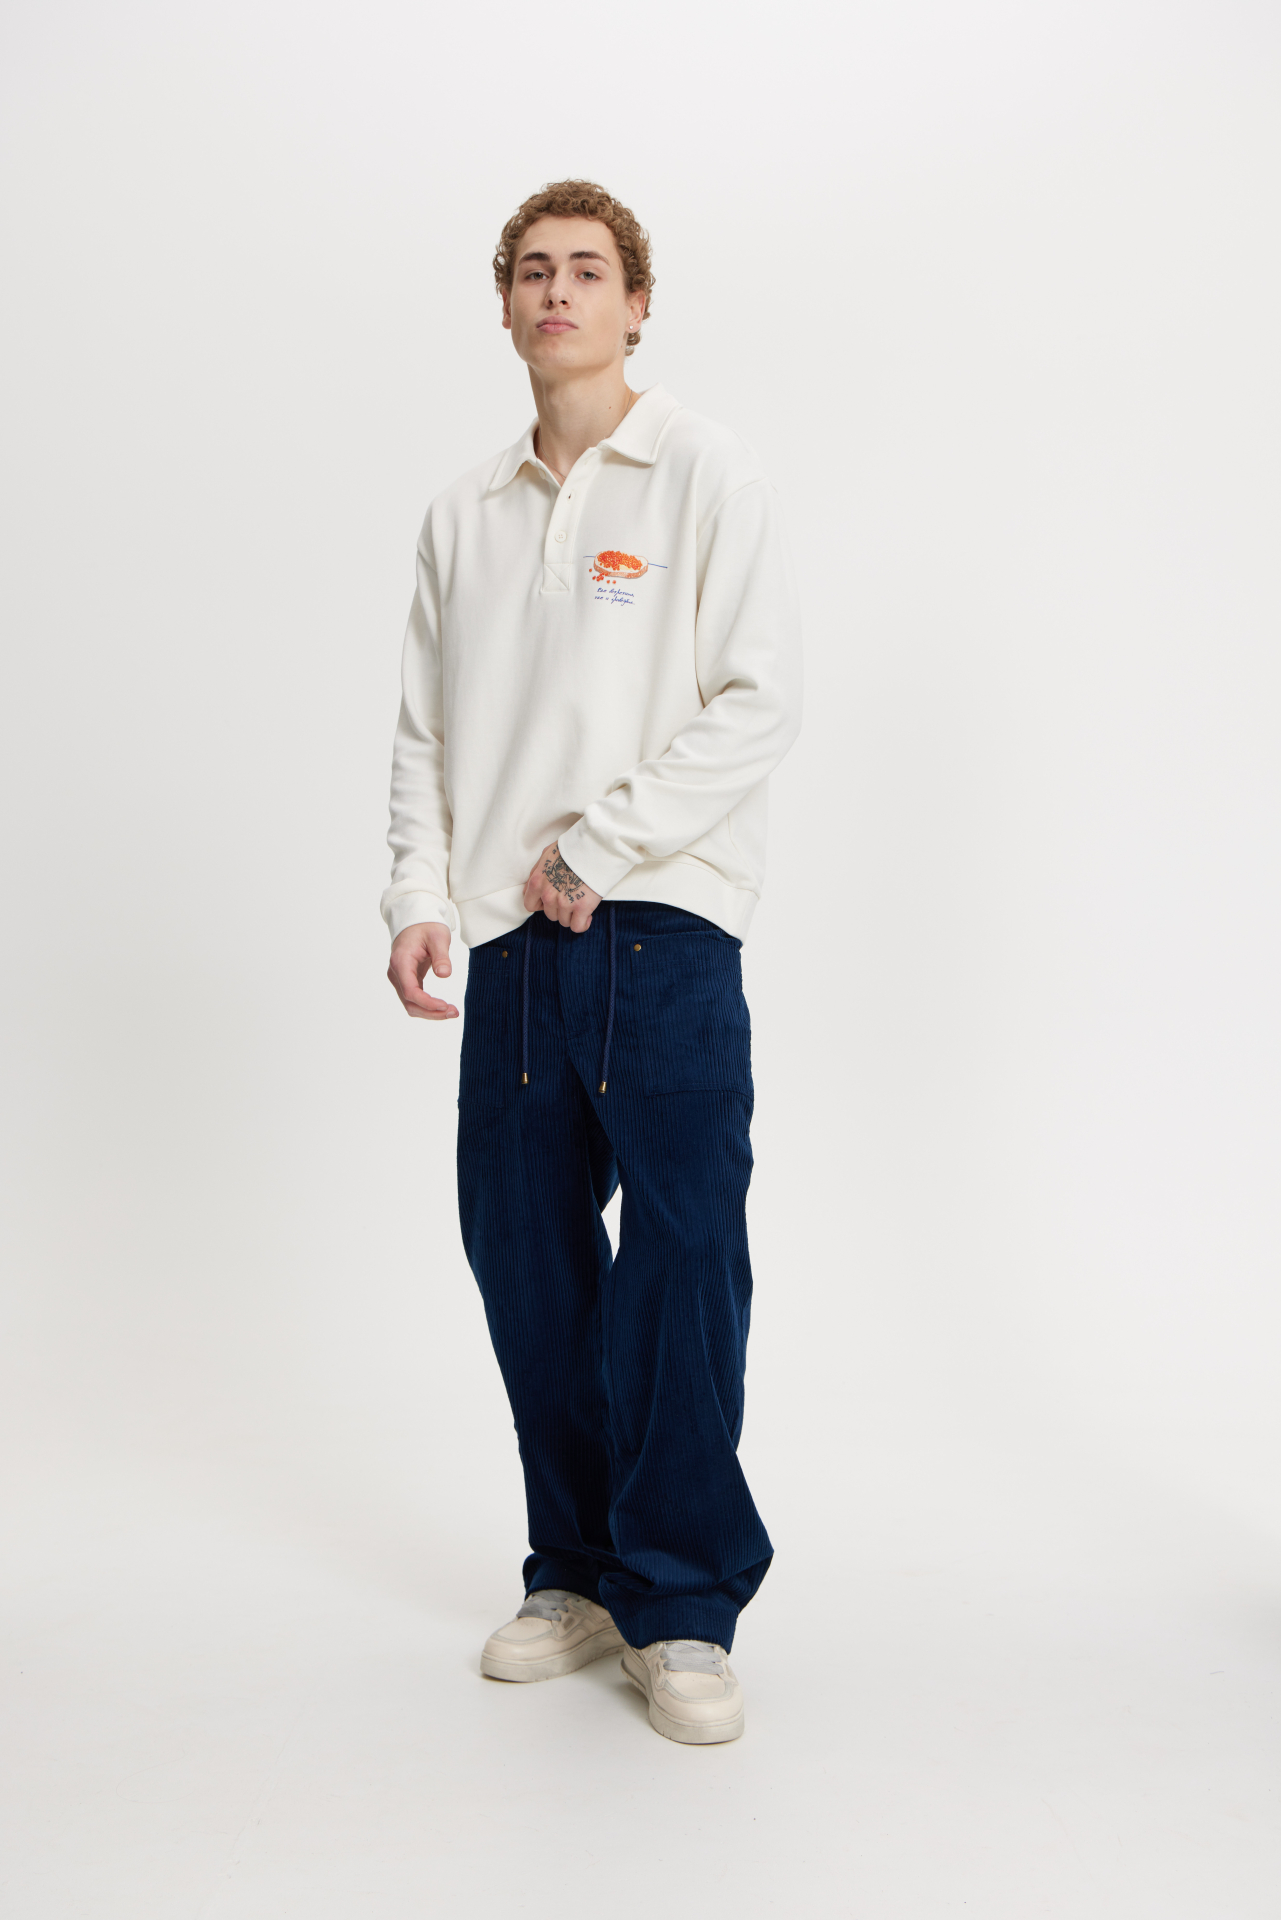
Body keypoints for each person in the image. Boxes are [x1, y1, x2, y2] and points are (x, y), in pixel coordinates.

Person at [382, 180, 802, 1744]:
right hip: (508, 940)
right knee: (531, 1264)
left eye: (588, 270)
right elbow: (424, 732)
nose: (557, 292)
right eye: (532, 271)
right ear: (505, 304)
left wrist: (599, 850)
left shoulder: (701, 471)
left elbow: (758, 698)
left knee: (681, 1263)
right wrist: (418, 894)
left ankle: (680, 1598)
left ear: (635, 304)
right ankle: (574, 1570)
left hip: (662, 925)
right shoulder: (462, 514)